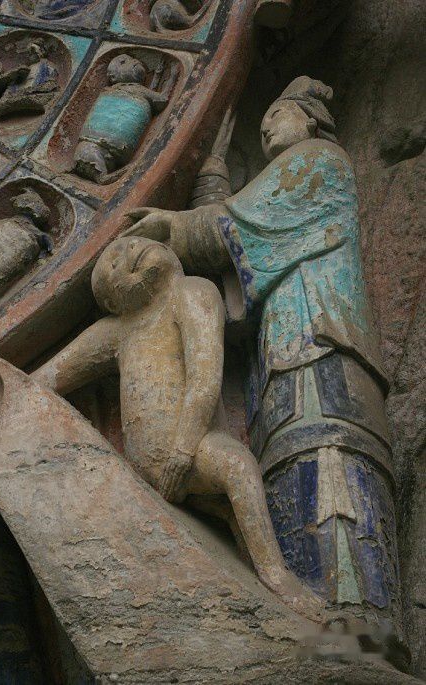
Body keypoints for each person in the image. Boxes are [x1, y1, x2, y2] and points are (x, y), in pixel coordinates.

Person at [126, 76, 400, 618]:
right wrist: (211, 183)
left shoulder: (319, 161)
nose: (267, 127)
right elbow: (244, 246)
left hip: (320, 341)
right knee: (286, 456)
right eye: (262, 122)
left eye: (277, 114)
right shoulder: (285, 189)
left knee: (329, 455)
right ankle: (314, 613)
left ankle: (360, 621)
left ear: (312, 119)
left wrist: (174, 228)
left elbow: (241, 225)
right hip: (285, 346)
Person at [32, 235, 323, 620]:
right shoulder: (117, 329)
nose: (127, 251)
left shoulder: (191, 292)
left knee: (238, 468)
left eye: (131, 243)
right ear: (113, 302)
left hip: (193, 447)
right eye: (112, 265)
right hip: (148, 470)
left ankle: (275, 576)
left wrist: (183, 451)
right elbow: (48, 378)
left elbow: (204, 378)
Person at [74, 54, 176, 183]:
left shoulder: (138, 90)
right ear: (113, 76)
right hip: (94, 145)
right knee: (87, 150)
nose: (134, 61)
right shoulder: (114, 90)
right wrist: (172, 76)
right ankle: (102, 177)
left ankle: (105, 175)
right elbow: (161, 99)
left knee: (87, 150)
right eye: (123, 62)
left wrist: (167, 75)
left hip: (116, 150)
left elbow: (159, 100)